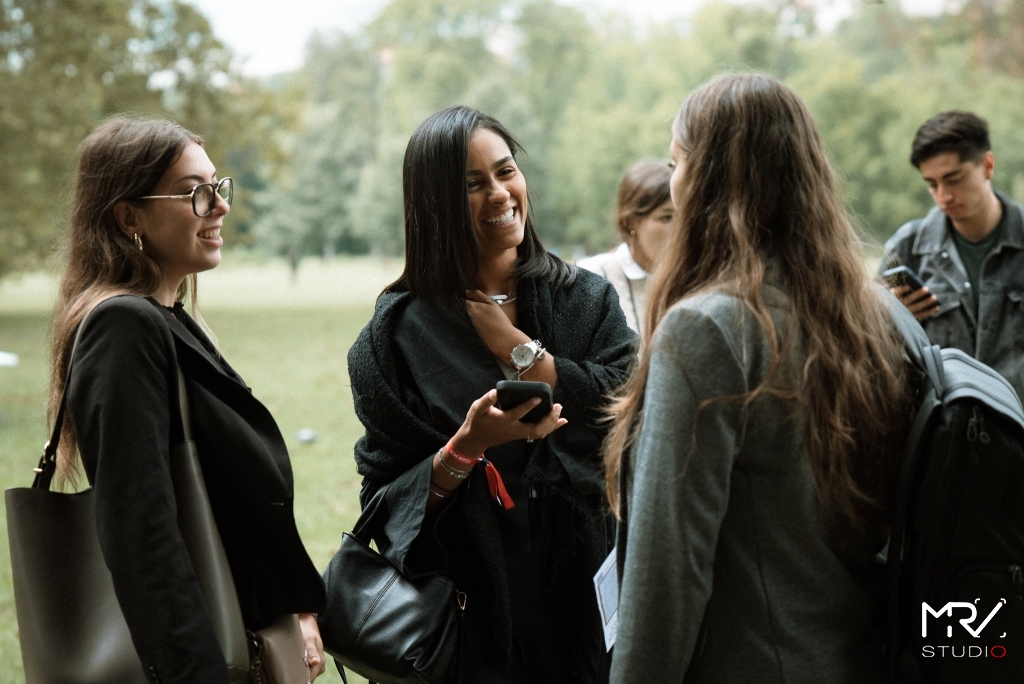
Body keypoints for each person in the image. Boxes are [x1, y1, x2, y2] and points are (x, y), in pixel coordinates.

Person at [604, 73, 916, 683]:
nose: (673, 179)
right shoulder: (874, 314)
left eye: (676, 160)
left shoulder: (709, 331)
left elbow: (667, 575)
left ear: (706, 177)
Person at [345, 105, 636, 683]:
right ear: (432, 204)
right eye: (473, 184)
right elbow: (384, 500)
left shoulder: (588, 301)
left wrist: (521, 350)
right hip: (468, 616)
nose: (500, 194)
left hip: (581, 603)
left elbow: (628, 409)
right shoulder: (394, 338)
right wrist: (465, 448)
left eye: (506, 172)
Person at [50, 115, 327, 683]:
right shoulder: (123, 328)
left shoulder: (171, 322)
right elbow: (140, 533)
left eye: (217, 186)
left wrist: (294, 606)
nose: (218, 205)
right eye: (192, 192)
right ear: (129, 216)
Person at [882, 110, 1024, 401]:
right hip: (946, 433)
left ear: (987, 165)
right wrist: (891, 319)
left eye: (954, 179)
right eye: (932, 184)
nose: (944, 195)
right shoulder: (907, 249)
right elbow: (872, 354)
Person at [577, 159, 674, 333]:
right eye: (667, 218)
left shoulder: (696, 281)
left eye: (686, 217)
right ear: (630, 222)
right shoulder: (590, 278)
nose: (680, 230)